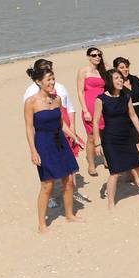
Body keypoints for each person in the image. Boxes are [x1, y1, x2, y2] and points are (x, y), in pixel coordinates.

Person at [24, 65, 85, 233]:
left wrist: (74, 137)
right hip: (43, 143)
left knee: (68, 181)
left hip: (60, 142)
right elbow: (29, 129)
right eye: (48, 80)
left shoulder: (56, 99)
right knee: (47, 185)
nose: (52, 82)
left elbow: (61, 124)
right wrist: (33, 151)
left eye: (53, 79)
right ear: (38, 82)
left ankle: (69, 215)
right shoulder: (31, 103)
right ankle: (42, 224)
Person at [92, 69, 139, 209]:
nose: (120, 80)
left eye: (121, 78)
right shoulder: (101, 99)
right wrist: (97, 143)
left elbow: (133, 115)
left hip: (127, 137)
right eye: (117, 78)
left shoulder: (126, 96)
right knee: (115, 172)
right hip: (110, 139)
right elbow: (96, 122)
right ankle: (111, 203)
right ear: (110, 81)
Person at [76, 47, 107, 177]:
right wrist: (85, 110)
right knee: (91, 137)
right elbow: (80, 91)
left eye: (99, 55)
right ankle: (91, 164)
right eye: (94, 55)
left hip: (104, 107)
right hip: (89, 107)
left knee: (105, 134)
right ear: (88, 57)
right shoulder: (83, 71)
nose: (97, 57)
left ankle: (106, 159)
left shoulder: (102, 71)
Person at [113, 57, 139, 131]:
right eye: (122, 67)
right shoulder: (114, 83)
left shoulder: (135, 79)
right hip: (124, 115)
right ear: (116, 69)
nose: (125, 69)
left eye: (127, 67)